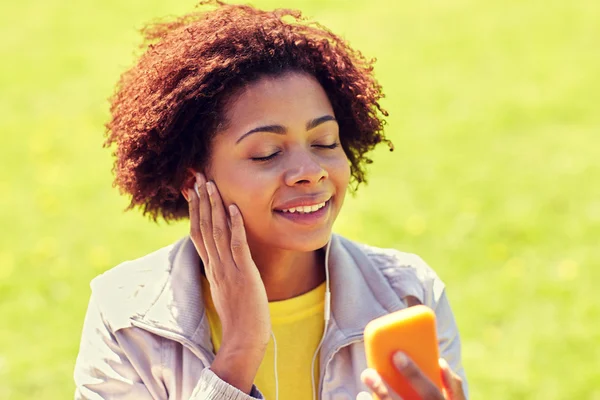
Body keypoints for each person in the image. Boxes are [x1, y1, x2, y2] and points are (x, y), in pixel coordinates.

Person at [73, 1, 468, 399]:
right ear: (193, 180)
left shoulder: (408, 295)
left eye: (324, 142)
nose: (310, 170)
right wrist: (240, 349)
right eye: (266, 152)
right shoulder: (127, 318)